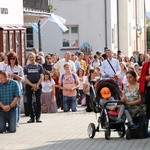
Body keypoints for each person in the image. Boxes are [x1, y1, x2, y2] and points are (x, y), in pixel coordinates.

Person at [5, 52, 24, 127]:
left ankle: (17, 120)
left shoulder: (19, 67)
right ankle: (8, 120)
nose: (12, 60)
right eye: (11, 59)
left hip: (17, 87)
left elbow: (23, 79)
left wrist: (18, 77)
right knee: (8, 103)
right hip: (8, 87)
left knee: (17, 104)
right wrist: (7, 76)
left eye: (14, 59)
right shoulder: (6, 67)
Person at [24, 52, 44, 123]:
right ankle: (32, 117)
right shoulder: (26, 67)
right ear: (28, 58)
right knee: (29, 101)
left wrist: (37, 85)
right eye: (30, 57)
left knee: (38, 101)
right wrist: (32, 85)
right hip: (29, 85)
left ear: (35, 57)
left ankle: (38, 117)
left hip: (38, 84)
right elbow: (25, 78)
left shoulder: (39, 66)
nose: (32, 59)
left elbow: (42, 76)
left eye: (33, 57)